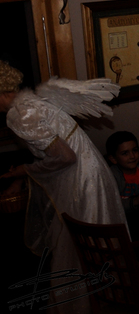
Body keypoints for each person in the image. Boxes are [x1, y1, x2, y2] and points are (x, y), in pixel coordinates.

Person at [0, 60, 126, 313]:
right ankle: (106, 301)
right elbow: (52, 153)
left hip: (81, 181)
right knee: (87, 247)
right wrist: (21, 176)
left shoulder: (19, 115)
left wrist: (25, 170)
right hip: (92, 172)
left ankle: (85, 306)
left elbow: (65, 157)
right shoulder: (31, 103)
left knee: (77, 246)